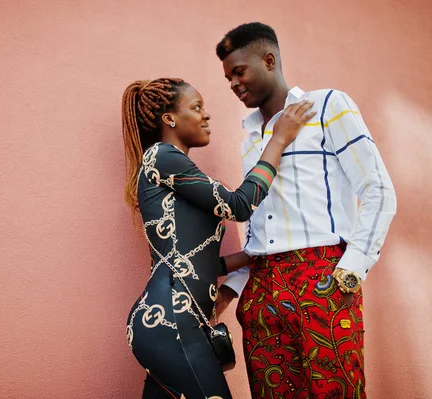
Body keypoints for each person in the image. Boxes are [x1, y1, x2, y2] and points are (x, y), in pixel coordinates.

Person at [214, 22, 397, 398]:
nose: (233, 83)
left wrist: (349, 273)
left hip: (321, 276)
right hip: (263, 289)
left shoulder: (328, 105)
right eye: (228, 77)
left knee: (336, 392)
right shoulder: (251, 138)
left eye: (239, 71)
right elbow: (260, 231)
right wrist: (232, 293)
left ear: (269, 60)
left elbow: (378, 189)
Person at [122, 77, 315, 399]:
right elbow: (239, 206)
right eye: (196, 107)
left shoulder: (172, 166)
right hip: (172, 322)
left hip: (170, 321)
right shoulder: (162, 156)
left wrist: (252, 256)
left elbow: (191, 260)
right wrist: (278, 140)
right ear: (169, 119)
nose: (206, 115)